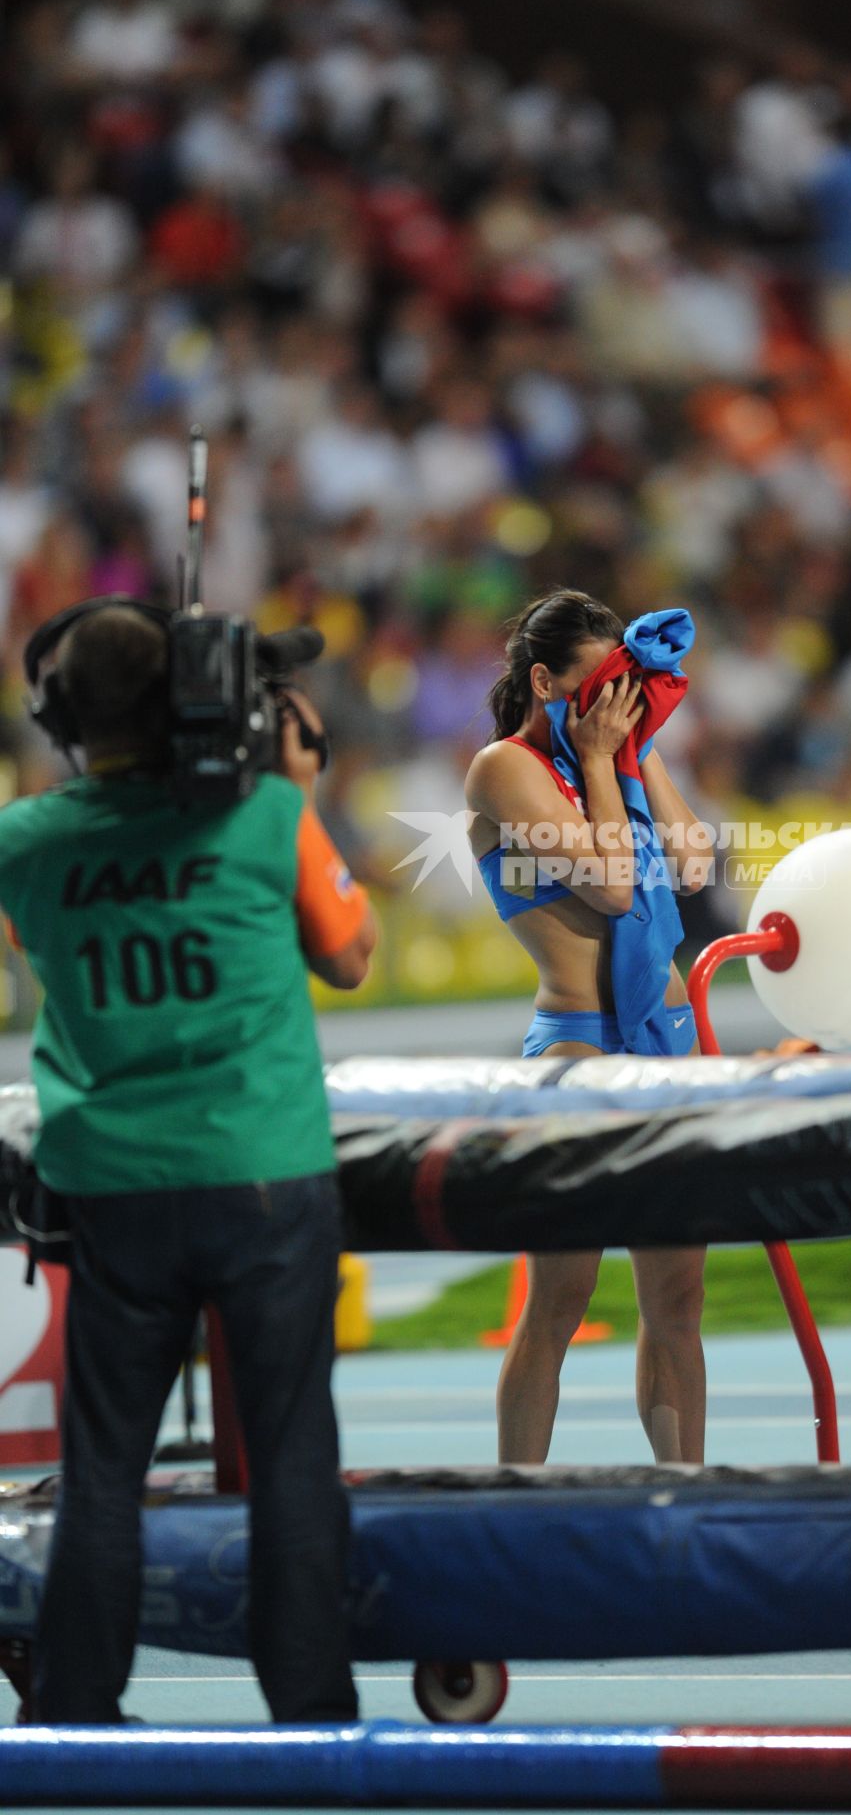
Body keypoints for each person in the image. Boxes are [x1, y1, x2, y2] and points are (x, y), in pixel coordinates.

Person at [4, 605, 377, 1724]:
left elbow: (52, 916)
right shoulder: (269, 814)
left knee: (106, 1468)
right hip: (265, 1175)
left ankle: (75, 1710)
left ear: (63, 721)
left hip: (112, 1192)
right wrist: (293, 787)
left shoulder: (23, 840)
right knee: (292, 1454)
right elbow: (352, 955)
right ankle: (310, 1714)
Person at [465, 590, 712, 1466]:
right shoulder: (503, 769)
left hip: (670, 1038)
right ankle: (515, 1496)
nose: (616, 702)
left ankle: (684, 1491)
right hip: (578, 1044)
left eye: (625, 686)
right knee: (560, 1301)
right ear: (544, 682)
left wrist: (634, 749)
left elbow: (690, 866)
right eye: (600, 687)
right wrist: (606, 762)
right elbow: (612, 888)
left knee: (677, 1303)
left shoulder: (620, 752)